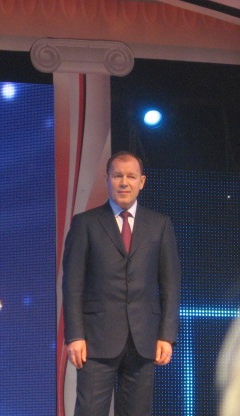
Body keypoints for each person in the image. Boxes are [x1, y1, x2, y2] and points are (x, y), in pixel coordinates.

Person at [62, 151, 181, 416]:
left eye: (131, 176)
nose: (124, 182)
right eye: (117, 176)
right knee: (90, 410)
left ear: (142, 181)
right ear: (107, 179)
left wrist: (167, 335)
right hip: (95, 340)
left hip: (144, 339)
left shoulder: (159, 225)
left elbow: (171, 284)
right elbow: (72, 285)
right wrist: (75, 335)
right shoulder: (85, 223)